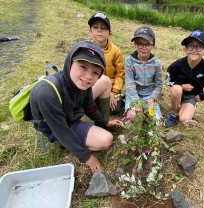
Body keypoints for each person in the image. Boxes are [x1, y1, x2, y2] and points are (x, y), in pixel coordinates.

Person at [30, 41, 121, 172]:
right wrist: (87, 157)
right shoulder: (46, 93)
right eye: (83, 67)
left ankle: (99, 128)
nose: (89, 76)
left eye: (96, 72)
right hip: (57, 127)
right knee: (106, 140)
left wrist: (105, 122)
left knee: (105, 81)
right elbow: (61, 130)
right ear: (70, 63)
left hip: (70, 111)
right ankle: (67, 145)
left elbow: (89, 106)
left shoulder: (83, 84)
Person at [164, 30, 204, 127]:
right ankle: (175, 112)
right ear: (185, 49)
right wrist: (181, 86)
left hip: (191, 97)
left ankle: (187, 108)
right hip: (177, 93)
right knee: (176, 89)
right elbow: (168, 80)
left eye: (199, 46)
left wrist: (203, 96)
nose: (194, 50)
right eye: (190, 46)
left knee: (184, 119)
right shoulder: (176, 65)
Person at [88, 12, 125, 116]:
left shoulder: (116, 51)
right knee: (86, 103)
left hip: (111, 88)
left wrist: (113, 92)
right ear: (90, 31)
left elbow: (120, 74)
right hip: (92, 86)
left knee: (114, 110)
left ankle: (116, 99)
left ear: (110, 33)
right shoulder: (86, 49)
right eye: (95, 27)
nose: (99, 30)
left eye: (104, 28)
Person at [124, 25, 163, 120]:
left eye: (148, 44)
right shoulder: (129, 61)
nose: (144, 47)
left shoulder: (157, 63)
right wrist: (137, 104)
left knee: (155, 119)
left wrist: (152, 99)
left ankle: (152, 109)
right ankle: (130, 109)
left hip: (149, 96)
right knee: (133, 117)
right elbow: (130, 85)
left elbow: (158, 85)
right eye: (140, 44)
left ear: (153, 45)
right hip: (133, 95)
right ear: (135, 45)